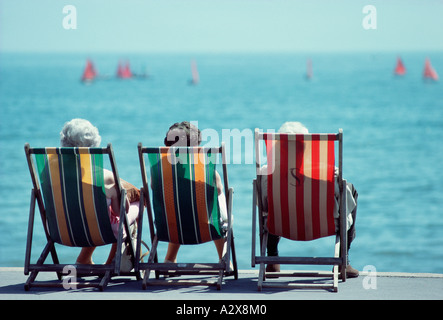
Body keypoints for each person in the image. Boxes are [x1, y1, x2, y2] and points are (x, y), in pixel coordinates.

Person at [260, 121, 359, 278]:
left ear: (278, 148)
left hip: (281, 225)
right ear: (307, 147)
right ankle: (343, 263)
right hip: (322, 225)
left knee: (271, 211)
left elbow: (262, 206)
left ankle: (272, 260)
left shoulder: (267, 175)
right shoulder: (328, 174)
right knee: (352, 192)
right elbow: (346, 205)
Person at [59, 118, 140, 265]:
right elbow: (120, 211)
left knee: (90, 211)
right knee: (136, 202)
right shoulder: (105, 177)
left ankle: (84, 258)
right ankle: (111, 264)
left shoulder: (49, 172)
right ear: (93, 146)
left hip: (61, 231)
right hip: (99, 232)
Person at [162, 121, 228, 263]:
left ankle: (169, 259)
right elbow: (219, 189)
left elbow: (155, 190)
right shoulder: (205, 170)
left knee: (178, 208)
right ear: (196, 147)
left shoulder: (159, 169)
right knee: (218, 201)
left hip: (171, 224)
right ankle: (224, 258)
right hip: (205, 225)